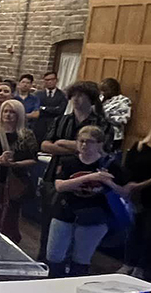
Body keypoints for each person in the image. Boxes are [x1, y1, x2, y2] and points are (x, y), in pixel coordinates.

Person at [39, 80, 109, 260]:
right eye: (74, 96)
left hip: (86, 178)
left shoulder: (101, 123)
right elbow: (46, 145)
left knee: (79, 225)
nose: (76, 99)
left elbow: (102, 150)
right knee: (50, 220)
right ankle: (45, 259)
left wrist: (62, 143)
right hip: (55, 174)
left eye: (81, 96)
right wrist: (79, 147)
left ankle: (71, 261)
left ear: (91, 99)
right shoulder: (61, 120)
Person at [47, 126, 126, 277]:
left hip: (94, 216)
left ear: (99, 144)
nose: (84, 145)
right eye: (81, 141)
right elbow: (60, 186)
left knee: (81, 259)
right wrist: (92, 178)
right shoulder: (68, 161)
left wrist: (108, 183)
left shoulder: (110, 165)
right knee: (54, 256)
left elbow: (124, 192)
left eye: (89, 142)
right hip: (65, 212)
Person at [0, 98, 37, 243]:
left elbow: (33, 159)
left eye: (12, 112)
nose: (8, 115)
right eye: (5, 111)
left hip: (14, 181)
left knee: (10, 217)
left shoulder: (26, 135)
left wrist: (17, 164)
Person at [121, 115, 151, 280]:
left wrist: (139, 186)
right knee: (134, 230)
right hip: (136, 195)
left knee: (150, 233)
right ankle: (128, 263)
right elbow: (128, 167)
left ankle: (141, 267)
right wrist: (129, 187)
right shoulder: (140, 145)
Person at [33, 70, 66, 145]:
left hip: (54, 125)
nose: (50, 82)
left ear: (56, 80)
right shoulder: (38, 95)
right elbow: (36, 109)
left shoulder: (62, 95)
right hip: (39, 125)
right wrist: (52, 109)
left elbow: (60, 110)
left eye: (52, 79)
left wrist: (44, 108)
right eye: (47, 80)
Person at [100, 77, 131, 148]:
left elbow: (124, 119)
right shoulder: (101, 100)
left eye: (105, 90)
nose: (102, 93)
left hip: (113, 135)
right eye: (101, 90)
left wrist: (105, 116)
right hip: (98, 134)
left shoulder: (122, 101)